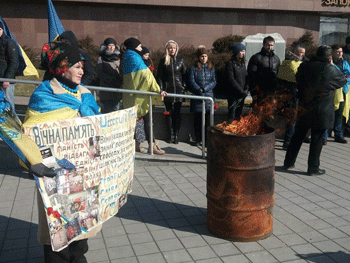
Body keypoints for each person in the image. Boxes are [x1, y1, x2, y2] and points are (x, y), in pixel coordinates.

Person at [26, 42, 101, 262]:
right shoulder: (43, 96)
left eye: (82, 66)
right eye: (77, 66)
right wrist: (34, 161)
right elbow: (29, 137)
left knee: (80, 230)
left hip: (83, 176)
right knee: (57, 236)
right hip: (55, 179)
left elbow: (97, 132)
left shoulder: (85, 94)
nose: (82, 71)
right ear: (62, 67)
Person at [283, 45, 346, 176]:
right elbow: (341, 80)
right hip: (322, 108)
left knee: (298, 135)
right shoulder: (329, 68)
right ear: (329, 57)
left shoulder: (305, 66)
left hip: (305, 105)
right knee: (317, 138)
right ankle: (313, 167)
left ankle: (288, 162)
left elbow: (298, 79)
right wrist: (328, 86)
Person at [121, 37, 166, 154]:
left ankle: (136, 144)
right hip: (141, 97)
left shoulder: (126, 58)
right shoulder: (135, 59)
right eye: (139, 46)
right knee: (148, 121)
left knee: (133, 123)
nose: (141, 48)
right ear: (134, 47)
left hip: (130, 97)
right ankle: (152, 145)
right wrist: (158, 91)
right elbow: (147, 78)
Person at [156, 40, 186, 144]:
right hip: (167, 90)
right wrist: (161, 89)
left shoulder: (181, 60)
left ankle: (176, 135)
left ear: (176, 49)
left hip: (179, 90)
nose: (172, 50)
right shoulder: (163, 61)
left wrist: (184, 86)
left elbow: (184, 74)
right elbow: (159, 77)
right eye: (170, 48)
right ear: (167, 49)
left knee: (177, 114)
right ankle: (169, 135)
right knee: (168, 113)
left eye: (174, 48)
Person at [187, 46, 216, 146]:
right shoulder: (193, 68)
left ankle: (207, 140)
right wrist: (199, 89)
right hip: (198, 97)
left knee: (208, 122)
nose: (204, 58)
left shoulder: (211, 68)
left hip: (208, 97)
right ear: (198, 57)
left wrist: (205, 89)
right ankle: (198, 139)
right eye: (202, 56)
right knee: (198, 121)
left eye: (205, 56)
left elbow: (214, 81)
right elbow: (191, 81)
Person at [324, 44, 350, 144]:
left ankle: (338, 134)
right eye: (337, 52)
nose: (340, 54)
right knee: (329, 114)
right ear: (332, 53)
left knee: (339, 115)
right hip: (331, 92)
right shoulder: (329, 63)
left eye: (341, 52)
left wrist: (343, 79)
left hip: (342, 92)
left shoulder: (344, 63)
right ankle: (325, 136)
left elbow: (348, 76)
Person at [276, 50, 301, 150]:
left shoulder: (283, 65)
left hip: (284, 96)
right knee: (293, 119)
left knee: (289, 118)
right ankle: (288, 141)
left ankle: (288, 139)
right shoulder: (295, 65)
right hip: (294, 95)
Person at [248, 36, 280, 106]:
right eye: (268, 45)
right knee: (258, 112)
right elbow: (251, 76)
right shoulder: (256, 58)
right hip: (260, 90)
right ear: (263, 45)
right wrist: (253, 92)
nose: (270, 47)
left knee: (270, 111)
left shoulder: (276, 59)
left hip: (272, 91)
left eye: (271, 45)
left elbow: (278, 75)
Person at [96, 37, 123, 113]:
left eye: (113, 45)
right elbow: (99, 72)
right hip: (106, 90)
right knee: (108, 111)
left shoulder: (119, 58)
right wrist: (110, 79)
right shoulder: (101, 58)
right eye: (109, 45)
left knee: (116, 111)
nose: (111, 48)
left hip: (117, 89)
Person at [224, 42, 248, 123]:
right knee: (232, 116)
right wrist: (240, 90)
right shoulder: (230, 64)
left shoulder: (242, 64)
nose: (242, 53)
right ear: (236, 52)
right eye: (241, 51)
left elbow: (246, 77)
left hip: (241, 95)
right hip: (233, 95)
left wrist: (246, 89)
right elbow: (231, 79)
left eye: (244, 51)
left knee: (238, 116)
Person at [0, 21, 18, 111]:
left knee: (8, 105)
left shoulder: (9, 42)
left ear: (1, 29)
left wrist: (7, 79)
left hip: (5, 80)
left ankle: (13, 124)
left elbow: (14, 62)